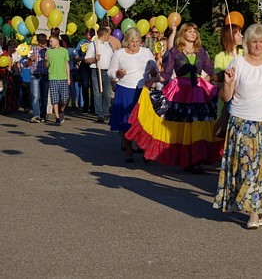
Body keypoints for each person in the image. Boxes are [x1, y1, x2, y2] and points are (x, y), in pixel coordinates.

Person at [214, 23, 262, 229]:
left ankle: (255, 209)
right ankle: (253, 212)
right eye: (254, 42)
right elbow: (226, 97)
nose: (258, 45)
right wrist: (229, 82)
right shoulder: (237, 62)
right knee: (248, 166)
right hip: (242, 122)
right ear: (247, 43)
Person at [126, 22, 222, 172]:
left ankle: (196, 160)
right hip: (180, 92)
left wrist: (225, 78)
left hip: (198, 92)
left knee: (196, 125)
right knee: (182, 125)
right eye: (189, 31)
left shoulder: (201, 51)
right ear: (183, 34)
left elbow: (210, 71)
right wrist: (153, 80)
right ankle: (186, 160)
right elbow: (166, 74)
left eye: (194, 31)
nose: (192, 34)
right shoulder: (175, 52)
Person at [108, 28, 154, 163]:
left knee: (144, 123)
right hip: (124, 90)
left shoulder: (146, 52)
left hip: (142, 91)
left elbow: (155, 69)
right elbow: (110, 72)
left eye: (138, 41)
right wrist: (117, 73)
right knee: (124, 123)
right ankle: (129, 151)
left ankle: (146, 150)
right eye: (132, 41)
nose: (135, 44)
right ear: (126, 41)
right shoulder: (119, 53)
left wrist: (153, 72)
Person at [85, 27, 114, 123]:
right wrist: (94, 59)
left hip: (107, 70)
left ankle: (105, 112)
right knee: (97, 93)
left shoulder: (108, 45)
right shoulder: (93, 44)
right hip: (96, 70)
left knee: (107, 93)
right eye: (108, 35)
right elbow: (86, 59)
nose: (109, 36)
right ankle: (99, 113)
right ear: (104, 35)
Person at [45, 35, 70, 125]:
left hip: (63, 77)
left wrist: (68, 77)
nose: (50, 43)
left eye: (51, 41)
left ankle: (62, 110)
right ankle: (57, 117)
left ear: (57, 41)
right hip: (53, 77)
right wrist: (46, 61)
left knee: (65, 98)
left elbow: (66, 64)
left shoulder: (64, 51)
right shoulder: (48, 51)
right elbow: (46, 66)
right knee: (54, 98)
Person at [27, 33, 49, 123]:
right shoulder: (32, 49)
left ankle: (43, 115)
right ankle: (36, 115)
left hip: (45, 74)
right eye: (41, 42)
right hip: (35, 74)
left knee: (44, 96)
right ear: (38, 41)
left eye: (44, 42)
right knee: (35, 96)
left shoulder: (49, 50)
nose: (43, 44)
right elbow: (27, 64)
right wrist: (30, 60)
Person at [74, 29, 94, 113]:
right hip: (84, 66)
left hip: (93, 66)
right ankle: (85, 105)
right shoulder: (82, 42)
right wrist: (81, 58)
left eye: (91, 34)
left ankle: (93, 106)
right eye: (88, 33)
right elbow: (76, 54)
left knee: (94, 87)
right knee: (85, 85)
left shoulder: (96, 42)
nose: (89, 35)